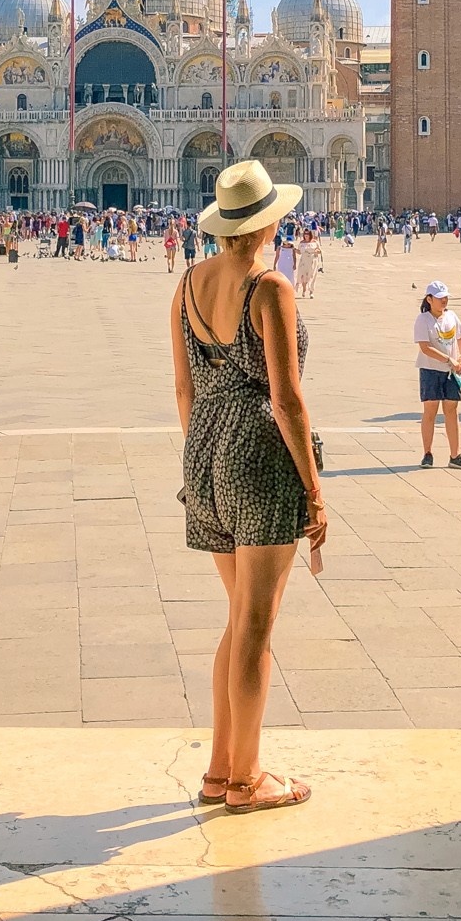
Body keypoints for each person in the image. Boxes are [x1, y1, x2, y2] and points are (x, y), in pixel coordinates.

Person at [171, 159, 327, 813]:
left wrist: (203, 454)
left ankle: (217, 770)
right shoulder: (269, 287)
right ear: (268, 222)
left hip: (203, 452)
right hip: (259, 457)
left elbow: (183, 389)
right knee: (256, 628)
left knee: (237, 621)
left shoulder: (187, 282)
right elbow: (288, 401)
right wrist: (314, 491)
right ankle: (247, 779)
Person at [414, 283, 461, 470]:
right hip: (430, 369)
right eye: (439, 298)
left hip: (450, 372)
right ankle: (427, 453)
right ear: (429, 299)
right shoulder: (423, 319)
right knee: (430, 411)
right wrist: (449, 359)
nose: (443, 301)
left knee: (452, 410)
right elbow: (425, 347)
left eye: (445, 297)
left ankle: (455, 454)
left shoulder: (451, 316)